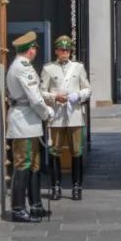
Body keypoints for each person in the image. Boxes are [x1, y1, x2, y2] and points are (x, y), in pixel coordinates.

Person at [6, 31, 55, 222]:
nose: (35, 51)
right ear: (31, 49)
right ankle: (18, 208)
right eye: (34, 48)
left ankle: (35, 205)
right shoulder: (23, 67)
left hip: (29, 122)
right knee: (23, 164)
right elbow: (34, 98)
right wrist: (47, 113)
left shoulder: (22, 65)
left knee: (34, 164)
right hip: (24, 122)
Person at [40, 35, 91, 201]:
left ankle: (77, 187)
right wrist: (55, 97)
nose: (65, 52)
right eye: (62, 50)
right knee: (55, 151)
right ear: (56, 51)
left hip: (75, 115)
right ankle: (56, 187)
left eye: (67, 50)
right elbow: (41, 91)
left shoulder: (78, 68)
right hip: (56, 116)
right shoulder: (48, 68)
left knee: (77, 152)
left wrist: (77, 95)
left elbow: (87, 89)